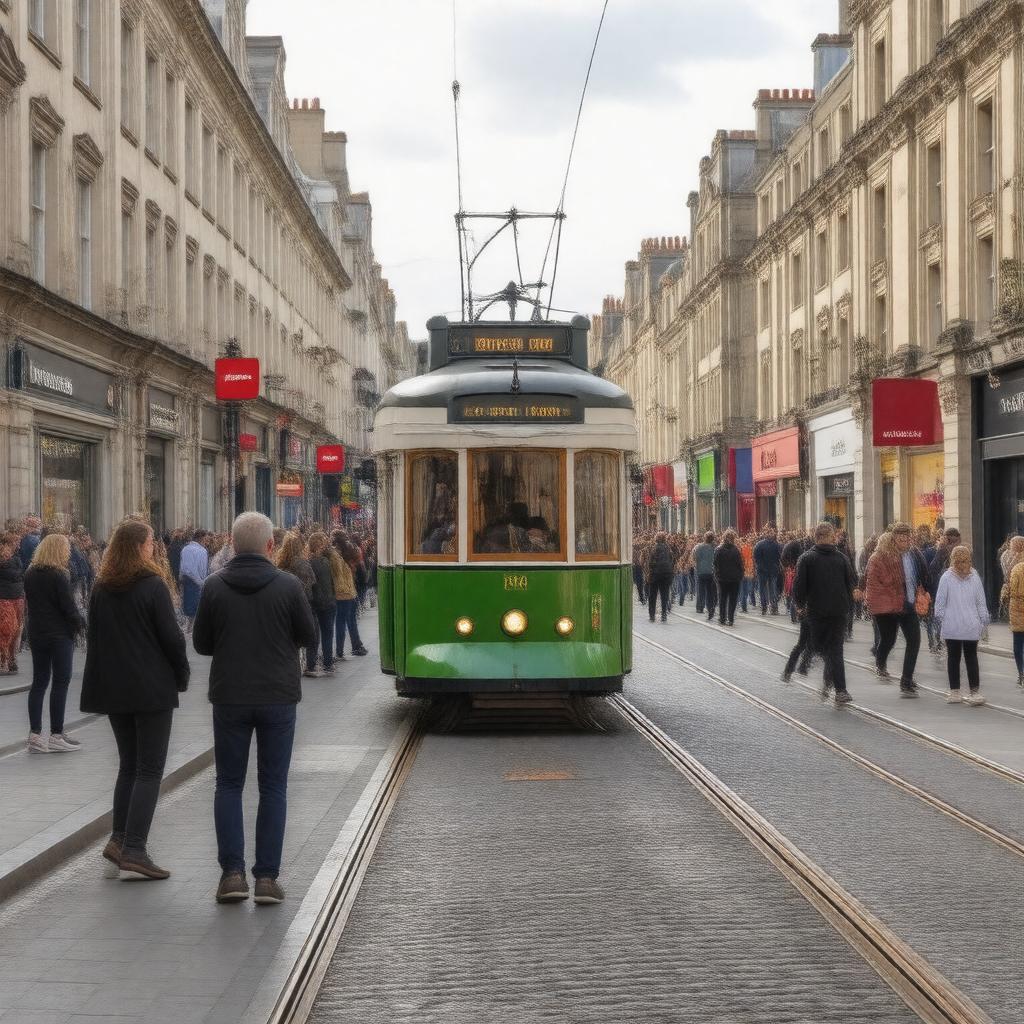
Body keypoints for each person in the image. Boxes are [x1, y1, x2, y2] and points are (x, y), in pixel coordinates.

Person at [192, 512, 318, 905]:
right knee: (273, 786)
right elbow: (308, 635)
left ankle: (231, 875)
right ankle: (266, 878)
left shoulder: (214, 586)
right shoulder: (289, 585)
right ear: (270, 546)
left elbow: (201, 644)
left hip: (230, 695)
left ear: (232, 542)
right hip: (278, 696)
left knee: (228, 784)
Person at [81, 520, 190, 880]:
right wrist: (181, 674)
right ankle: (135, 849)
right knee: (148, 769)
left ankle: (118, 838)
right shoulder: (152, 585)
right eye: (149, 543)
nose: (153, 548)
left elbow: (94, 639)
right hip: (150, 688)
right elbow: (172, 638)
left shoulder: (101, 587)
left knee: (129, 764)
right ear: (139, 547)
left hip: (115, 689)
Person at [23, 534, 86, 752]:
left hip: (37, 632)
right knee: (61, 681)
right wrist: (81, 625)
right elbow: (68, 607)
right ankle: (56, 734)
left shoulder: (29, 573)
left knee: (39, 682)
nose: (68, 552)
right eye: (66, 548)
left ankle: (35, 734)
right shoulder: (59, 575)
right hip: (59, 634)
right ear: (59, 550)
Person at [790, 522, 857, 704]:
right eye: (832, 536)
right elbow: (852, 582)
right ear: (828, 537)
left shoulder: (806, 558)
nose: (833, 538)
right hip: (838, 611)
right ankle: (839, 688)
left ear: (816, 537)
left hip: (817, 612)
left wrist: (800, 605)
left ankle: (836, 685)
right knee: (835, 650)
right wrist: (851, 604)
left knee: (823, 648)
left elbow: (799, 586)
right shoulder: (841, 558)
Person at [865, 529, 921, 697]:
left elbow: (918, 574)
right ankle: (880, 663)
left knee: (914, 640)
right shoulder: (877, 558)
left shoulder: (910, 555)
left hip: (906, 604)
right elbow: (873, 583)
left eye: (905, 539)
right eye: (897, 539)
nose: (902, 542)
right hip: (887, 608)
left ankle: (906, 680)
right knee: (889, 639)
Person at [933, 545, 989, 706]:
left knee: (954, 657)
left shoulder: (947, 577)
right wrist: (984, 620)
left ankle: (955, 691)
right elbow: (981, 601)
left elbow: (940, 603)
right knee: (971, 658)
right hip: (970, 625)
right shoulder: (974, 576)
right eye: (963, 561)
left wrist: (939, 619)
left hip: (952, 626)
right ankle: (974, 691)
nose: (965, 565)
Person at [275, 531, 319, 676]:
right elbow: (312, 581)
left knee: (288, 635)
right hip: (304, 602)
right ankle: (310, 665)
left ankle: (290, 663)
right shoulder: (303, 563)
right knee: (312, 632)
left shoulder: (280, 562)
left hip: (285, 603)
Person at [332, 533, 368, 656]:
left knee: (342, 621)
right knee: (347, 621)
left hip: (345, 593)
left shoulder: (338, 556)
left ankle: (344, 649)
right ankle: (352, 647)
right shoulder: (342, 557)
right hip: (347, 593)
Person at [306, 533, 337, 674]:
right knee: (327, 633)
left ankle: (311, 663)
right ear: (319, 545)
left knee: (314, 634)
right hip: (328, 601)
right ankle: (328, 662)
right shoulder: (325, 561)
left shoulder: (308, 562)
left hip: (314, 602)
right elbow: (331, 582)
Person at [0, 532, 25, 673]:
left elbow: (19, 574)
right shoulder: (5, 558)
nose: (18, 544)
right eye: (16, 542)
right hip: (4, 597)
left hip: (18, 597)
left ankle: (12, 659)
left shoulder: (17, 558)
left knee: (16, 631)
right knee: (6, 629)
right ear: (7, 544)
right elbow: (14, 574)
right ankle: (3, 659)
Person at [179, 530, 210, 633]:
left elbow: (182, 566)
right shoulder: (202, 551)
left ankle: (188, 626)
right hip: (197, 581)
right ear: (201, 538)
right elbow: (202, 569)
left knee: (186, 603)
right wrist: (202, 580)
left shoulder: (185, 549)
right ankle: (192, 627)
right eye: (206, 539)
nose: (207, 542)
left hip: (186, 579)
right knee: (196, 604)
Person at [713, 529, 744, 627]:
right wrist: (740, 575)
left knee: (722, 598)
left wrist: (717, 574)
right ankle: (731, 618)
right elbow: (740, 564)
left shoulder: (718, 549)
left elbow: (715, 563)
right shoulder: (736, 550)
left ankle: (722, 618)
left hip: (722, 578)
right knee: (733, 599)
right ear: (733, 539)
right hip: (734, 579)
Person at [753, 526, 782, 615]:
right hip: (772, 570)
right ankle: (774, 607)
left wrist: (760, 567)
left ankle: (764, 607)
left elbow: (756, 558)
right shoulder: (776, 544)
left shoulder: (758, 545)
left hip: (763, 570)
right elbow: (780, 557)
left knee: (763, 589)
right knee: (772, 589)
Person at [646, 532, 674, 623]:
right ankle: (664, 615)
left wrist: (650, 571)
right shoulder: (668, 549)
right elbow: (672, 561)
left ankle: (652, 615)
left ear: (656, 539)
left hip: (655, 575)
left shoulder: (654, 548)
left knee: (652, 596)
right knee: (664, 595)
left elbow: (650, 563)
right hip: (666, 575)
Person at [692, 531, 717, 621]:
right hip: (711, 572)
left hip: (701, 572)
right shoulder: (715, 547)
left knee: (700, 590)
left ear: (704, 538)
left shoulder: (699, 547)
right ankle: (710, 607)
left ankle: (700, 607)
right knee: (710, 591)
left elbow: (695, 557)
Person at [1007, 552, 1024, 687]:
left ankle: (1021, 673)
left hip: (1018, 610)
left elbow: (1012, 590)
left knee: (1018, 645)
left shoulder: (1017, 569)